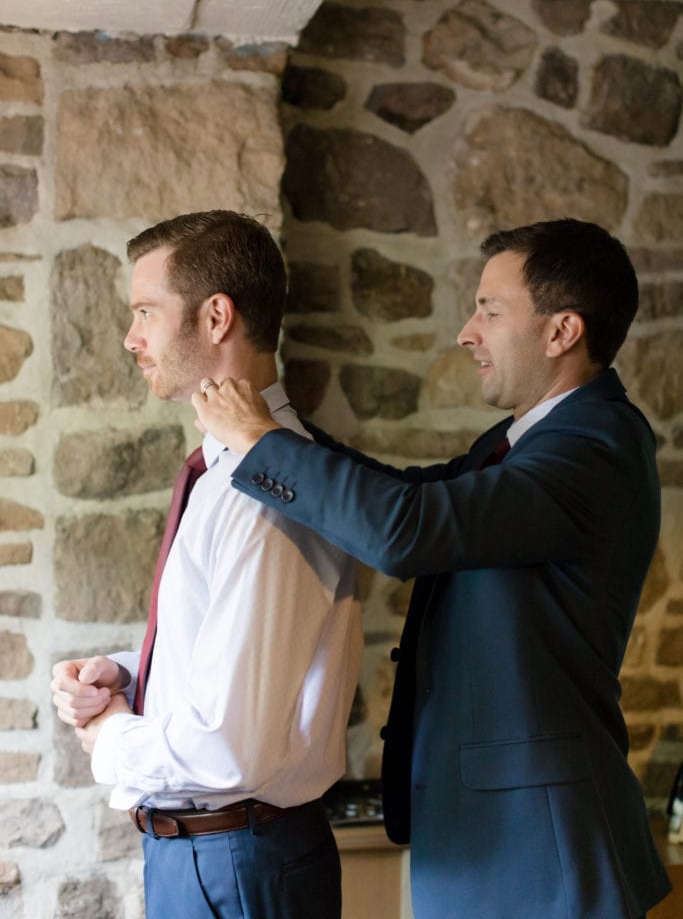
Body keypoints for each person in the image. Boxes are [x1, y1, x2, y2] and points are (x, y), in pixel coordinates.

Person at [191, 218, 671, 919]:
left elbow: (405, 533)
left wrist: (261, 441)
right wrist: (280, 427)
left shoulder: (595, 446)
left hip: (541, 852)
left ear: (561, 331)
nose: (466, 333)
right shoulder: (520, 442)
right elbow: (408, 494)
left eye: (489, 309)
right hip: (490, 839)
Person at [51, 210, 363, 919]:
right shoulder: (230, 470)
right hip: (212, 854)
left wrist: (108, 737)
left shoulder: (274, 487)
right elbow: (237, 652)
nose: (131, 339)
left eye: (144, 313)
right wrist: (126, 672)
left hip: (237, 860)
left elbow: (231, 747)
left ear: (215, 316)